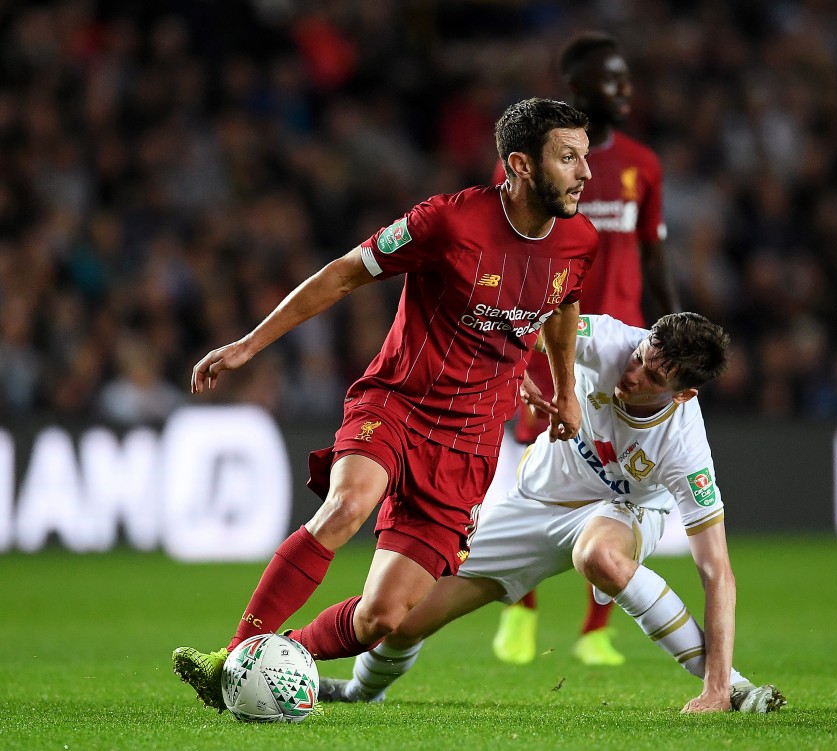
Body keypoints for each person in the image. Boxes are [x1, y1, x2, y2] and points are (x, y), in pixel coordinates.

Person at [171, 97, 599, 712]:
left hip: (471, 443)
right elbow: (344, 273)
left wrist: (564, 391)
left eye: (585, 156)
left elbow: (562, 306)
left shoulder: (580, 241)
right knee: (347, 506)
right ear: (520, 165)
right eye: (568, 157)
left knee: (383, 618)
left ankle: (277, 659)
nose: (585, 173)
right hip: (399, 403)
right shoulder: (447, 223)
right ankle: (235, 656)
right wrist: (249, 344)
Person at [309, 312, 786, 713]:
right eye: (641, 356)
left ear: (683, 394)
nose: (633, 373)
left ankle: (731, 688)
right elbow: (516, 328)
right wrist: (513, 378)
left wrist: (716, 687)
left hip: (623, 510)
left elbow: (716, 570)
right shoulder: (608, 340)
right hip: (534, 501)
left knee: (599, 556)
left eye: (654, 378)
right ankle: (359, 694)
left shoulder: (685, 449)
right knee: (404, 619)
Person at [488, 31, 680, 667]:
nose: (625, 92)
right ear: (576, 89)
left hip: (621, 350)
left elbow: (654, 256)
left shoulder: (641, 165)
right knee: (538, 470)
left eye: (627, 80)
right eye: (613, 81)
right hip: (550, 338)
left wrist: (674, 330)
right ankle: (520, 612)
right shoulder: (527, 161)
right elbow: (507, 245)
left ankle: (597, 629)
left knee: (615, 484)